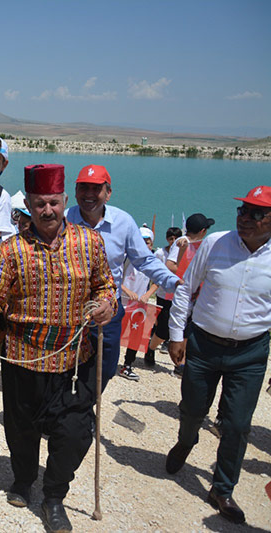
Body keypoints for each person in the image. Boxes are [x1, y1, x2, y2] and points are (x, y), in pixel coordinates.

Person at [0, 164, 117, 533]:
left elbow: (106, 287)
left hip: (75, 361)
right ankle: (23, 480)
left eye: (53, 203)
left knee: (74, 435)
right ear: (29, 204)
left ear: (64, 201)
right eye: (39, 204)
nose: (47, 210)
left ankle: (54, 496)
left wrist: (106, 306)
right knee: (20, 430)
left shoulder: (90, 242)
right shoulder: (10, 250)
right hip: (23, 359)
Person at [165, 186, 271, 525]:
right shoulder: (215, 243)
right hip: (203, 345)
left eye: (256, 213)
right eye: (243, 211)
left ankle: (222, 489)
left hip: (251, 353)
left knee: (238, 425)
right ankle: (186, 440)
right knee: (193, 409)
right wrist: (176, 335)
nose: (245, 219)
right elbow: (185, 289)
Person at [66, 164, 179, 388]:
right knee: (68, 365)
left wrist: (171, 281)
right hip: (69, 306)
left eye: (95, 188)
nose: (89, 194)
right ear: (76, 190)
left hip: (109, 307)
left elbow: (143, 259)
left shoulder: (123, 222)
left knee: (106, 368)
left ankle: (85, 406)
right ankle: (77, 414)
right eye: (83, 188)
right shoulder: (64, 218)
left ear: (108, 193)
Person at [165, 213, 214, 376]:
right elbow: (170, 265)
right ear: (202, 231)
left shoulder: (203, 245)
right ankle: (179, 362)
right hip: (183, 292)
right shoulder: (182, 243)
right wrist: (187, 275)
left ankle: (184, 362)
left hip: (198, 294)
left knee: (190, 329)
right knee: (178, 326)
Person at [118, 226, 158, 381]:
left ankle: (127, 365)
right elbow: (114, 277)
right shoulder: (125, 257)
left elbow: (158, 281)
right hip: (122, 301)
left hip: (140, 305)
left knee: (136, 335)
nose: (144, 245)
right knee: (116, 333)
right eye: (140, 241)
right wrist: (127, 291)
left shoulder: (152, 261)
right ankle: (108, 361)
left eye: (147, 242)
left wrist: (148, 295)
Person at [143, 226, 183, 364]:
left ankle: (179, 362)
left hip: (180, 295)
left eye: (176, 239)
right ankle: (151, 347)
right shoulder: (161, 253)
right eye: (171, 239)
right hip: (163, 293)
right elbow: (156, 272)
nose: (173, 241)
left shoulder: (184, 252)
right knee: (162, 325)